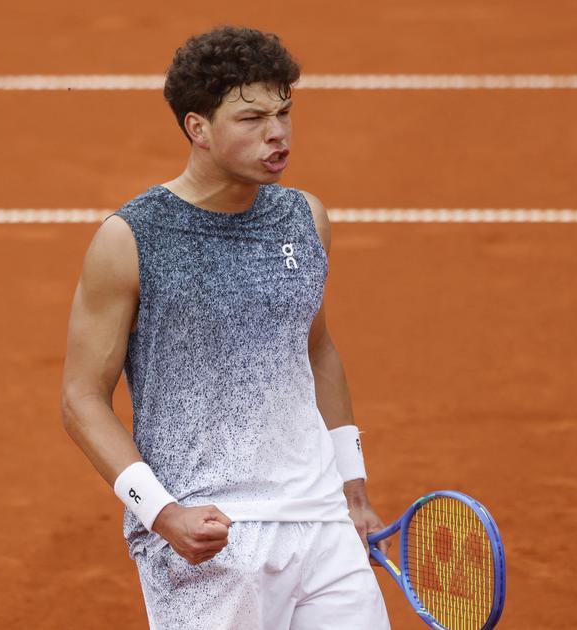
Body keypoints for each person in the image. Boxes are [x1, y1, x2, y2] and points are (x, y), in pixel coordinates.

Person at [60, 25, 391, 630]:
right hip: (210, 533)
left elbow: (316, 350)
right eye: (252, 117)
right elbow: (81, 399)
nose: (278, 133)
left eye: (284, 112)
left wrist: (354, 490)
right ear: (198, 128)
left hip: (320, 522)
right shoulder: (131, 239)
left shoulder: (304, 218)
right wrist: (161, 514)